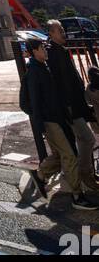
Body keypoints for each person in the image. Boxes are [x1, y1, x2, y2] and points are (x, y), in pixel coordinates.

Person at [22, 37, 84, 205]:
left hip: (57, 118)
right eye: (42, 48)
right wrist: (40, 121)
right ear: (34, 51)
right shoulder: (34, 73)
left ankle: (40, 174)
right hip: (50, 121)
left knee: (60, 154)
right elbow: (32, 101)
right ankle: (77, 195)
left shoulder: (44, 67)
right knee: (69, 155)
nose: (45, 50)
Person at [46, 19, 99, 202]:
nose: (63, 32)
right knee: (87, 139)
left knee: (82, 140)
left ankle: (85, 174)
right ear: (51, 33)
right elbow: (61, 83)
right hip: (70, 108)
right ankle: (85, 175)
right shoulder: (53, 53)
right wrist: (69, 107)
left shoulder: (58, 50)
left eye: (62, 29)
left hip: (75, 106)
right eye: (59, 30)